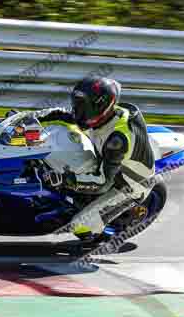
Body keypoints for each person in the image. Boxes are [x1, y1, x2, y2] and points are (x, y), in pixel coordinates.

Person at [33, 77, 156, 246]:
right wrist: (27, 118)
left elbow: (103, 182)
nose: (78, 111)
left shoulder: (116, 141)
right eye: (78, 104)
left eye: (84, 106)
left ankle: (111, 227)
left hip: (128, 183)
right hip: (110, 161)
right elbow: (62, 114)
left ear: (101, 106)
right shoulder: (103, 114)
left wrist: (68, 180)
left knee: (81, 227)